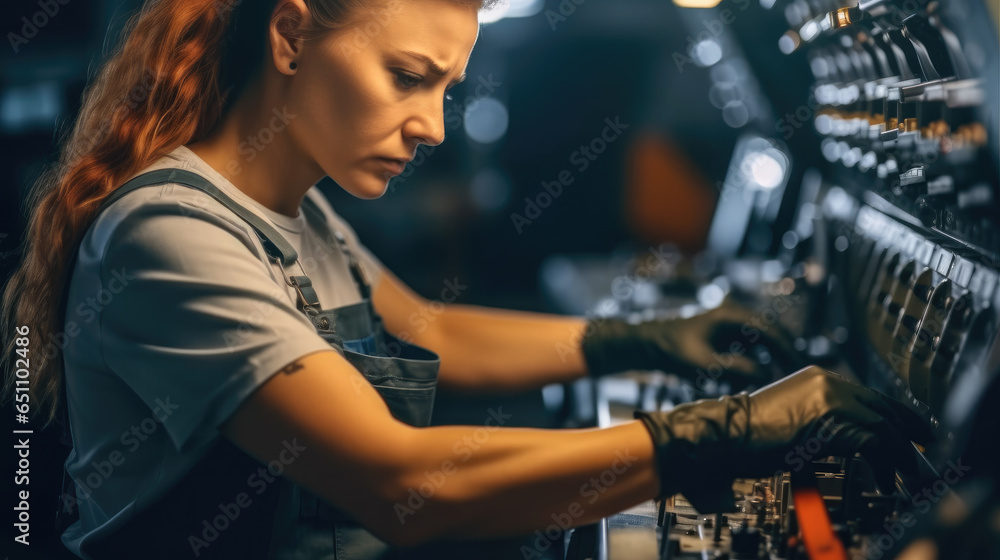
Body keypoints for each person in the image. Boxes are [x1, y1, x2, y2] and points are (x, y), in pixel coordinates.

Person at [0, 0, 929, 558]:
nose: (435, 126)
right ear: (289, 38)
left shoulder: (296, 206)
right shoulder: (168, 234)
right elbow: (404, 485)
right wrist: (717, 436)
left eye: (445, 87)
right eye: (408, 77)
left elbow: (430, 332)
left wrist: (634, 340)